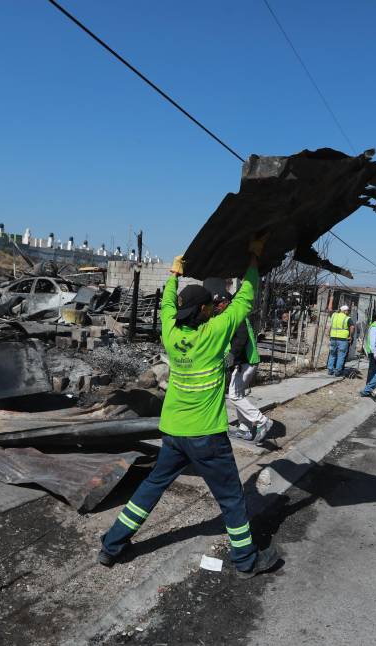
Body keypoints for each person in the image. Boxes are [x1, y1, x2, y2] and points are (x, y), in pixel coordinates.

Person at [99, 234, 280, 579]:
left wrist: (173, 275)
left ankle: (112, 545)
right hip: (206, 436)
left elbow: (167, 305)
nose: (214, 306)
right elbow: (245, 299)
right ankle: (246, 560)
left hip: (173, 434)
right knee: (231, 498)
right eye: (209, 304)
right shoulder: (214, 333)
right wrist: (253, 262)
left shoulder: (170, 332)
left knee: (151, 487)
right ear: (202, 311)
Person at [214, 290, 270, 445]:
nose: (216, 307)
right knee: (238, 394)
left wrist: (234, 359)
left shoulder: (236, 317)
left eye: (218, 304)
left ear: (226, 302)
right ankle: (244, 428)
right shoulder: (231, 315)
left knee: (234, 395)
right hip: (243, 363)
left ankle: (262, 421)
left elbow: (241, 340)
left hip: (244, 363)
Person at [326, 304, 354, 376]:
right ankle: (338, 371)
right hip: (343, 339)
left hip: (333, 338)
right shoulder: (347, 318)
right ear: (344, 311)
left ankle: (330, 370)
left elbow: (329, 309)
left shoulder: (334, 315)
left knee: (332, 354)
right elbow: (352, 327)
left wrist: (331, 298)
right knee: (341, 355)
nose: (348, 312)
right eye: (347, 311)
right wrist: (350, 336)